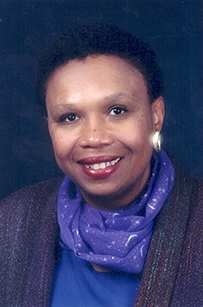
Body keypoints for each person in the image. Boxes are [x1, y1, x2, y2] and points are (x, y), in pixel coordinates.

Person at [0, 23, 202, 307]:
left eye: (117, 111)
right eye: (69, 117)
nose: (93, 138)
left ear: (156, 115)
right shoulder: (10, 223)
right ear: (49, 125)